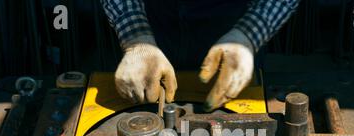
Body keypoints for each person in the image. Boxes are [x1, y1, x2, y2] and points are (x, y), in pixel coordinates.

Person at [101, 0, 300, 111]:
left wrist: (248, 34)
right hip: (151, 17)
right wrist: (136, 38)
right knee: (139, 100)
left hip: (233, 23)